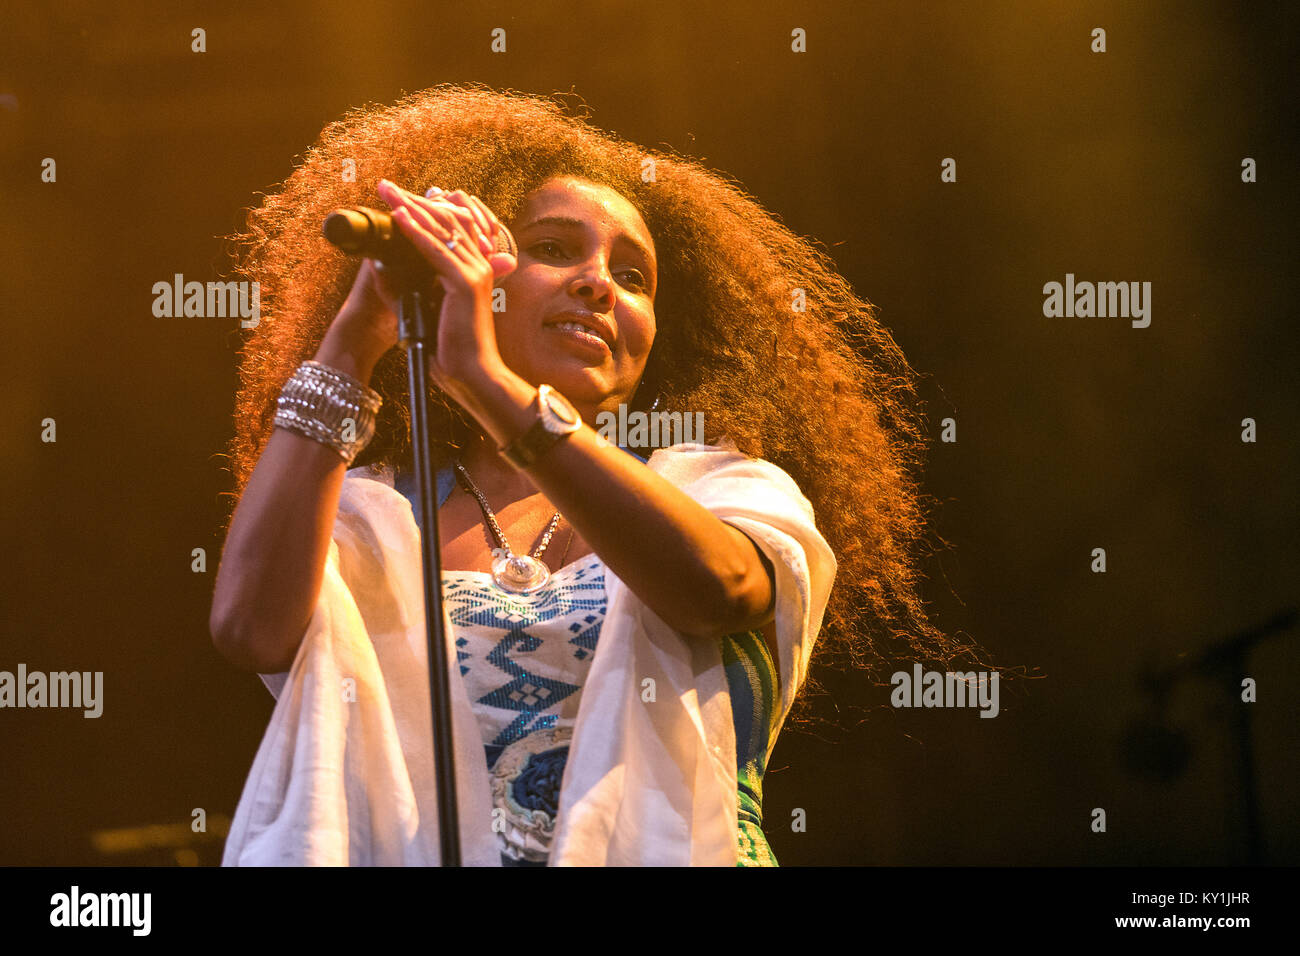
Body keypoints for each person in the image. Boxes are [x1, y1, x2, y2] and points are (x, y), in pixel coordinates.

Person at [211, 84, 973, 866]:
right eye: (550, 249)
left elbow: (716, 590)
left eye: (634, 275)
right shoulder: (375, 510)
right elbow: (250, 630)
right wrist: (353, 340)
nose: (599, 283)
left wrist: (489, 386)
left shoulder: (721, 488)